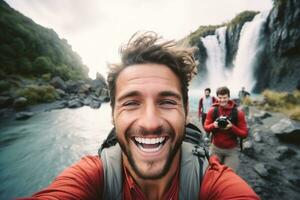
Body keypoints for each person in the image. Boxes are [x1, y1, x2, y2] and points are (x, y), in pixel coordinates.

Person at [19, 32, 258, 200]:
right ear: (112, 113)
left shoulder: (212, 180)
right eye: (131, 103)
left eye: (167, 102)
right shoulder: (92, 175)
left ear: (185, 110)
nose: (150, 122)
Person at [204, 86, 248, 172]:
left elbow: (244, 134)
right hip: (215, 148)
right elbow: (206, 128)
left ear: (228, 97)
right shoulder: (212, 111)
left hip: (231, 150)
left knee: (229, 175)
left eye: (225, 97)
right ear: (217, 97)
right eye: (220, 98)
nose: (222, 100)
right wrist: (214, 125)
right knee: (211, 173)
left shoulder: (238, 113)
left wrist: (232, 127)